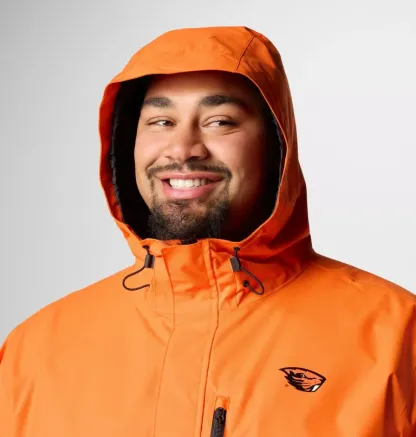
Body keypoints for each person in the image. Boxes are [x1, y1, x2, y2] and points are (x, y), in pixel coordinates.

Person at [0, 25, 415, 437]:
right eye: (161, 121)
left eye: (219, 121)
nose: (183, 148)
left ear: (276, 145)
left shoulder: (398, 336)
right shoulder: (34, 351)